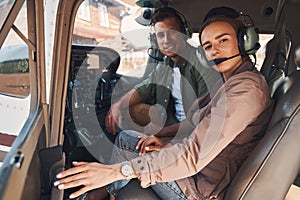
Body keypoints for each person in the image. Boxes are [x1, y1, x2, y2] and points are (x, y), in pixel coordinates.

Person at [54, 15, 274, 200]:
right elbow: (193, 123)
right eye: (208, 46)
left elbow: (194, 155)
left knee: (125, 143)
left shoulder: (245, 91)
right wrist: (162, 138)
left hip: (201, 190)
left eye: (223, 41)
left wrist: (113, 172)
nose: (215, 50)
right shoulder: (230, 83)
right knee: (132, 139)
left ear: (244, 42)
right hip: (203, 170)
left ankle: (99, 194)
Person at [105, 7, 215, 140]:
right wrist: (117, 105)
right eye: (160, 35)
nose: (166, 40)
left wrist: (160, 132)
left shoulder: (201, 63)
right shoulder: (165, 64)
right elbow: (143, 88)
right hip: (172, 124)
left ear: (185, 33)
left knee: (123, 139)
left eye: (172, 32)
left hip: (194, 135)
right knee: (131, 110)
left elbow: (203, 119)